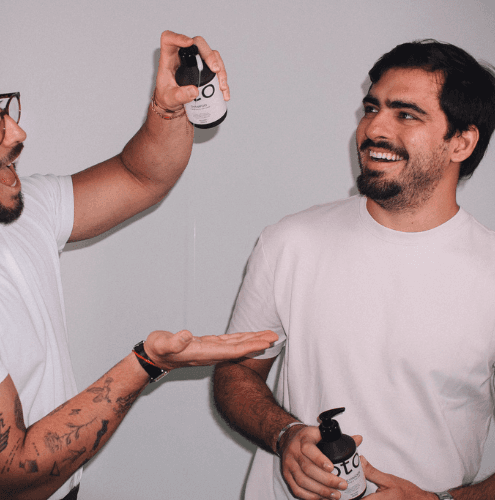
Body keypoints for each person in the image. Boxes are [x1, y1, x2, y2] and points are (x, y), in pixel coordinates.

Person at [0, 31, 277, 500]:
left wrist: (169, 107)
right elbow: (16, 477)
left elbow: (140, 175)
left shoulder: (17, 210)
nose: (16, 133)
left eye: (1, 109)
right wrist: (146, 364)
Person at [212, 39, 495, 500]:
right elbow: (236, 374)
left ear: (461, 142)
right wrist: (284, 435)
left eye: (406, 114)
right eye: (372, 108)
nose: (373, 128)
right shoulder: (290, 242)